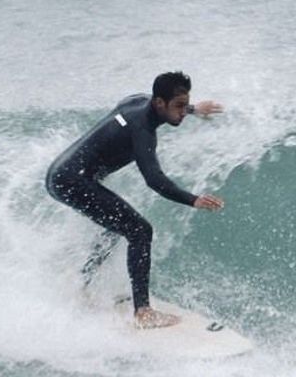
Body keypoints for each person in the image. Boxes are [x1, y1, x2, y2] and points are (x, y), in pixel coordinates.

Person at [45, 71, 224, 328]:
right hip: (72, 181)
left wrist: (197, 109)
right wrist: (193, 199)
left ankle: (81, 281)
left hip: (60, 173)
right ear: (159, 103)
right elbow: (154, 180)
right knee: (140, 230)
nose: (183, 112)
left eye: (186, 105)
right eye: (179, 107)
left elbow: (162, 105)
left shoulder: (138, 101)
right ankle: (143, 312)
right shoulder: (143, 130)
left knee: (119, 223)